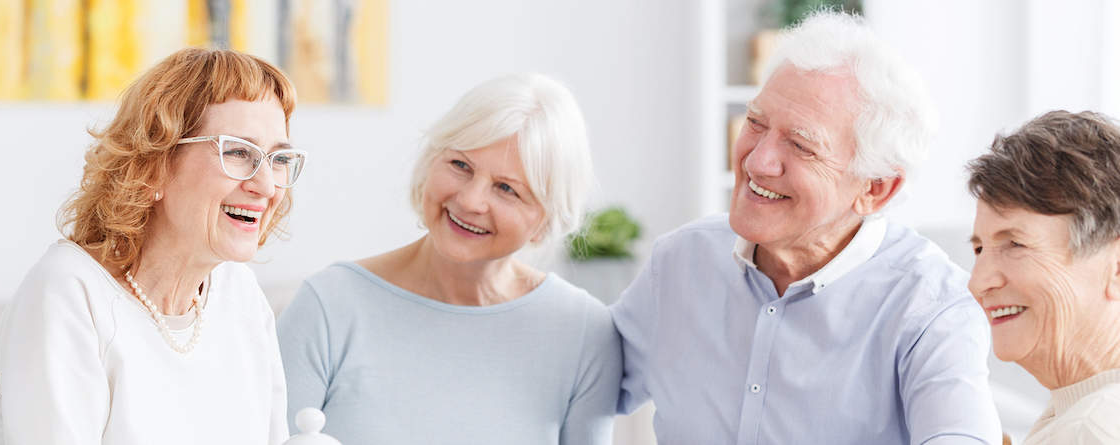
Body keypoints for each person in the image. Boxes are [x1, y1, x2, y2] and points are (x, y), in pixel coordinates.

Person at [611, 12, 1000, 443]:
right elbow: (576, 377)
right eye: (755, 123)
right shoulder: (680, 263)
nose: (757, 161)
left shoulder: (932, 308)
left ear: (876, 189)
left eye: (800, 145)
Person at [0, 48, 306, 444]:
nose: (267, 186)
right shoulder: (69, 294)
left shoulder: (241, 295)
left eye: (278, 158)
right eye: (238, 152)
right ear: (155, 164)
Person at [277, 73, 621, 444]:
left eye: (506, 189)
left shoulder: (586, 333)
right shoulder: (328, 305)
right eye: (460, 165)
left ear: (546, 220)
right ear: (431, 163)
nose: (471, 201)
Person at [967, 110, 1120, 444]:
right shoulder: (1079, 414)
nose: (978, 283)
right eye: (979, 249)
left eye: (1015, 244)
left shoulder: (1091, 428)